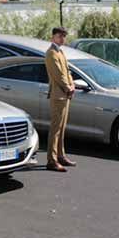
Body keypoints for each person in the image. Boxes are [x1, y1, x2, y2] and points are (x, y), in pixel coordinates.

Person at [44, 27, 75, 172]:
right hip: (58, 95)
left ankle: (61, 156)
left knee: (62, 128)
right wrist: (68, 87)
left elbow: (67, 71)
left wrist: (72, 84)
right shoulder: (51, 53)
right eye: (59, 36)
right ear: (53, 37)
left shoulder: (60, 51)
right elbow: (58, 74)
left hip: (65, 94)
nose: (62, 38)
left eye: (64, 36)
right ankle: (52, 160)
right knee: (55, 128)